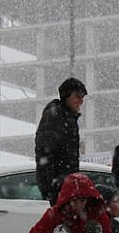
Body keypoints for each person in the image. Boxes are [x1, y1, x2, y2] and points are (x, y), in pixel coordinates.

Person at [35, 77, 88, 206]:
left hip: (66, 188)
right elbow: (45, 153)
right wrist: (55, 184)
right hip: (61, 189)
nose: (80, 101)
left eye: (82, 97)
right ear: (66, 96)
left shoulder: (68, 119)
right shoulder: (56, 117)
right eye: (77, 96)